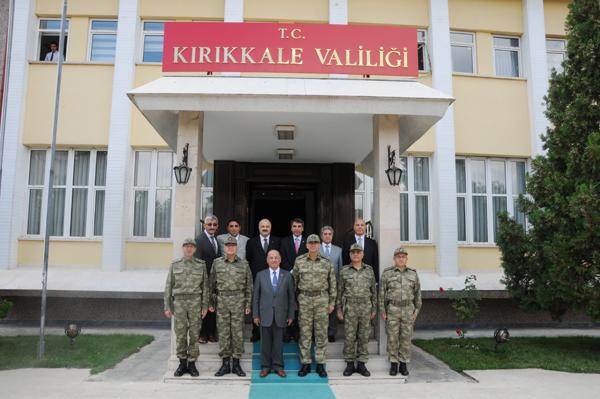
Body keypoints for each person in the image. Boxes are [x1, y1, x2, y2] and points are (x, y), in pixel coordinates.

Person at [292, 234, 336, 378]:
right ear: (307, 245)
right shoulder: (299, 261)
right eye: (310, 242)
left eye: (315, 243)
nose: (313, 245)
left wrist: (331, 303)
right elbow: (294, 283)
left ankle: (320, 364)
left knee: (321, 333)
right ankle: (305, 363)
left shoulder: (326, 262)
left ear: (319, 245)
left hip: (321, 300)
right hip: (304, 300)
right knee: (305, 333)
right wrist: (295, 302)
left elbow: (333, 284)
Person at [163, 238, 209, 377]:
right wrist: (167, 306)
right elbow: (168, 286)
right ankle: (182, 363)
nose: (189, 249)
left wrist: (205, 305)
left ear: (195, 249)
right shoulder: (175, 265)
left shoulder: (201, 265)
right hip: (179, 303)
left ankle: (192, 363)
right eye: (186, 246)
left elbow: (205, 287)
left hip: (195, 302)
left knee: (194, 334)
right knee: (181, 334)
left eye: (191, 246)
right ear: (183, 248)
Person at [209, 236, 253, 377]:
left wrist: (247, 303)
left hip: (238, 301)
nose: (230, 247)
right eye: (228, 245)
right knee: (223, 332)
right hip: (222, 301)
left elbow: (249, 286)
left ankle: (237, 363)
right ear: (224, 247)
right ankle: (225, 363)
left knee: (237, 333)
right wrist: (211, 303)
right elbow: (211, 285)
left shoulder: (244, 264)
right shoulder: (217, 263)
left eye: (233, 245)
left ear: (236, 247)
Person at [379, 247, 422, 377]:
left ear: (406, 259)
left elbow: (418, 294)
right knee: (392, 338)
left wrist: (416, 311)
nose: (401, 259)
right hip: (392, 309)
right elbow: (381, 294)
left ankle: (403, 364)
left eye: (403, 257)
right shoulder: (387, 273)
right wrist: (382, 310)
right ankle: (393, 364)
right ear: (394, 259)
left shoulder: (413, 274)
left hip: (408, 309)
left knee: (406, 338)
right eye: (398, 257)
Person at [252, 249, 295, 378]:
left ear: (280, 259)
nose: (274, 260)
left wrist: (291, 315)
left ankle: (278, 366)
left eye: (276, 257)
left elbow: (291, 297)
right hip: (264, 315)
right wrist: (255, 315)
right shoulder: (260, 275)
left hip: (281, 315)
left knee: (278, 343)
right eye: (271, 257)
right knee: (265, 343)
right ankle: (265, 367)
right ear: (267, 260)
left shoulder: (287, 275)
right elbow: (256, 297)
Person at [337, 243, 377, 377]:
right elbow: (339, 291)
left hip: (366, 307)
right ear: (350, 254)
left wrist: (374, 308)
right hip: (350, 307)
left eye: (358, 252)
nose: (355, 254)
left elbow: (373, 291)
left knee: (364, 336)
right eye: (353, 252)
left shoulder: (369, 270)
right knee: (349, 336)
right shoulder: (344, 271)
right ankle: (349, 364)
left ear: (362, 254)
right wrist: (339, 309)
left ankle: (361, 364)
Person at [245, 218, 281, 341]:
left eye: (267, 226)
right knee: (258, 305)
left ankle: (273, 332)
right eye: (262, 226)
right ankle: (256, 333)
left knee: (273, 305)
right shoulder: (251, 242)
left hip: (273, 279)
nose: (265, 228)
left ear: (270, 228)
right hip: (257, 279)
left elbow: (279, 259)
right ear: (259, 228)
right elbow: (248, 261)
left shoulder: (277, 241)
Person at [195, 215, 221, 343]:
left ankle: (211, 333)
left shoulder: (216, 240)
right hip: (204, 280)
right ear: (204, 225)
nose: (212, 227)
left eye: (214, 225)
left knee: (213, 306)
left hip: (215, 280)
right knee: (204, 306)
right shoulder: (199, 240)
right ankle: (203, 334)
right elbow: (198, 262)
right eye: (209, 224)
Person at [280, 218, 307, 342]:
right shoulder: (284, 241)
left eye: (299, 226)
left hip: (304, 279)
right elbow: (282, 258)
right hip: (287, 276)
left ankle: (297, 332)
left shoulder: (307, 242)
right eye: (294, 226)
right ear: (291, 228)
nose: (297, 228)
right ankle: (287, 332)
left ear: (302, 228)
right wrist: (291, 271)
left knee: (300, 305)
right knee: (287, 304)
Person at [319, 225, 343, 342]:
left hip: (334, 285)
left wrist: (339, 284)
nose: (327, 236)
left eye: (329, 234)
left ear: (332, 236)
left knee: (332, 309)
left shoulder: (338, 250)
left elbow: (340, 268)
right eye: (325, 234)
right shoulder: (316, 248)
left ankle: (331, 333)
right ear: (321, 236)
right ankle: (320, 332)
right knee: (319, 309)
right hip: (319, 285)